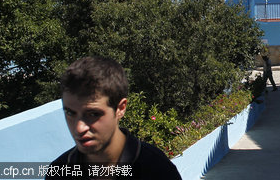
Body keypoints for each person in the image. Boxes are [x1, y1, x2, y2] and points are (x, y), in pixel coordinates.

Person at [47, 56, 182, 179]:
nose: (79, 128)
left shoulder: (156, 169)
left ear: (120, 109)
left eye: (93, 114)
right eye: (70, 113)